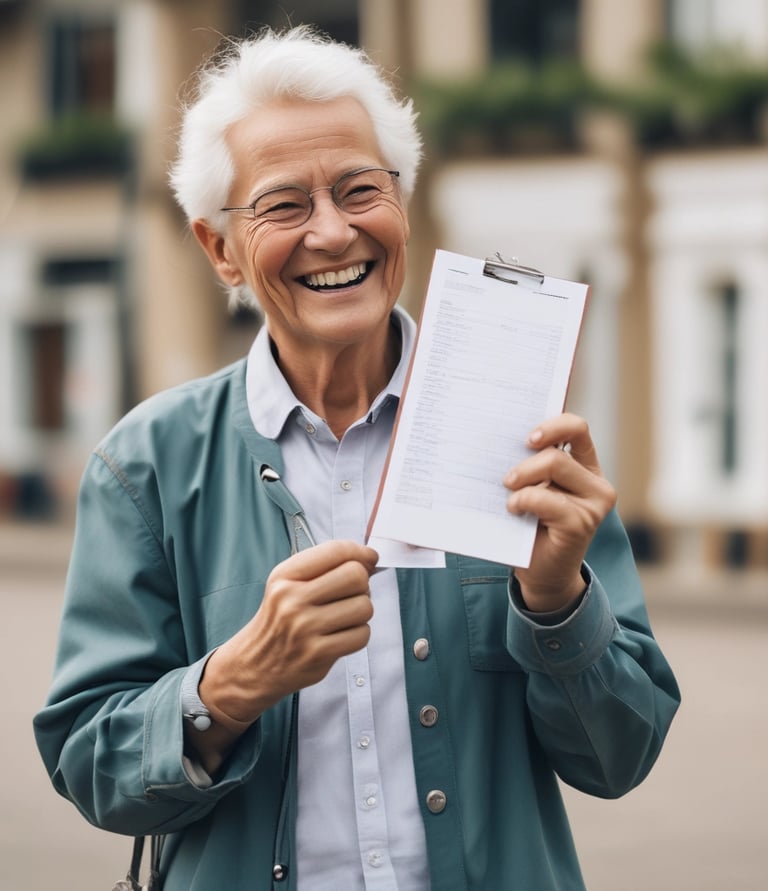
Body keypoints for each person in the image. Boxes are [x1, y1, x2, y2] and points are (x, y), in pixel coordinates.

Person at [34, 26, 680, 891]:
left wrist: (559, 600)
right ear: (218, 246)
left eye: (358, 190)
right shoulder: (143, 466)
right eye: (284, 205)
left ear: (402, 205)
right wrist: (231, 683)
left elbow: (620, 756)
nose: (334, 232)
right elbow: (89, 764)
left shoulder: (521, 440)